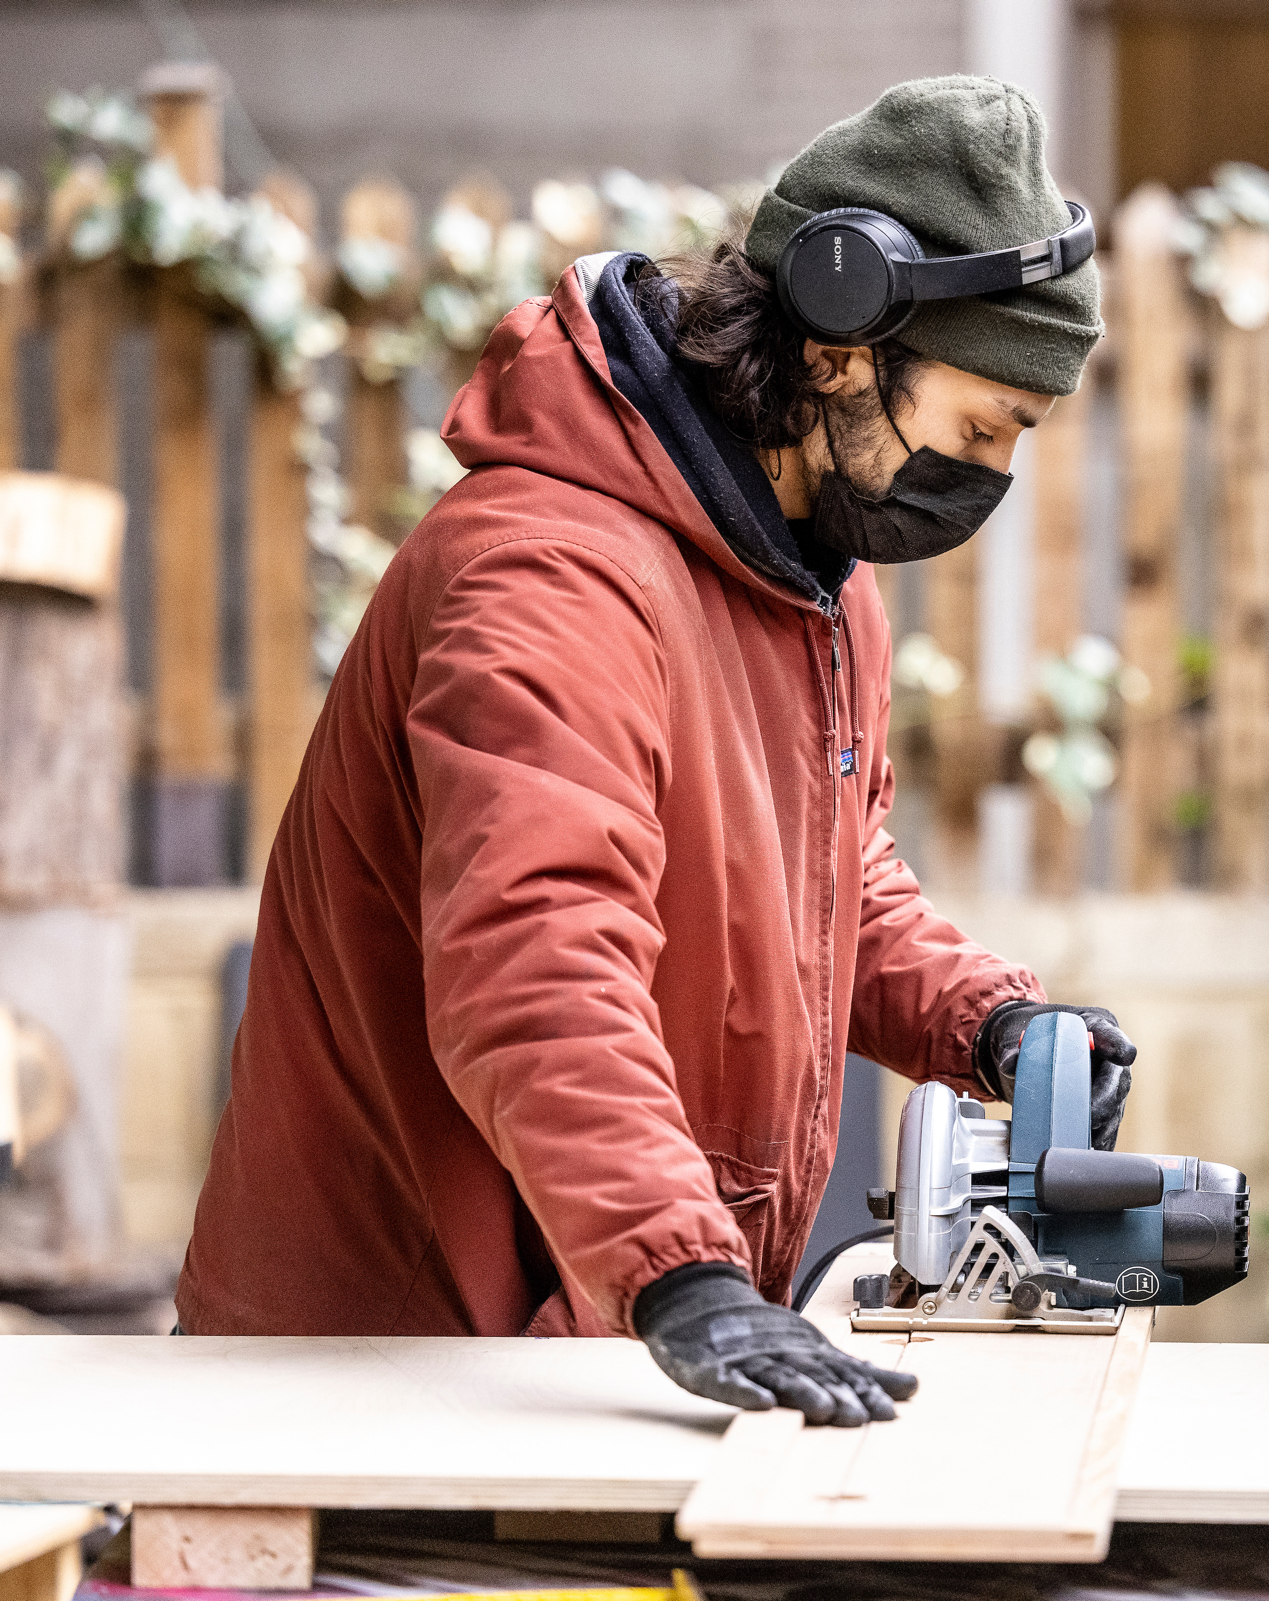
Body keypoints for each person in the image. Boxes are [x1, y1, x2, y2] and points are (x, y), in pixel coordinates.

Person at [177, 79, 1135, 1429]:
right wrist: (678, 1268)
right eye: (980, 427)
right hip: (380, 1362)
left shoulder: (810, 578)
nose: (986, 475)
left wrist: (986, 1020)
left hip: (566, 1331)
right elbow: (534, 944)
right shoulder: (548, 571)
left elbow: (825, 882)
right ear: (845, 344)